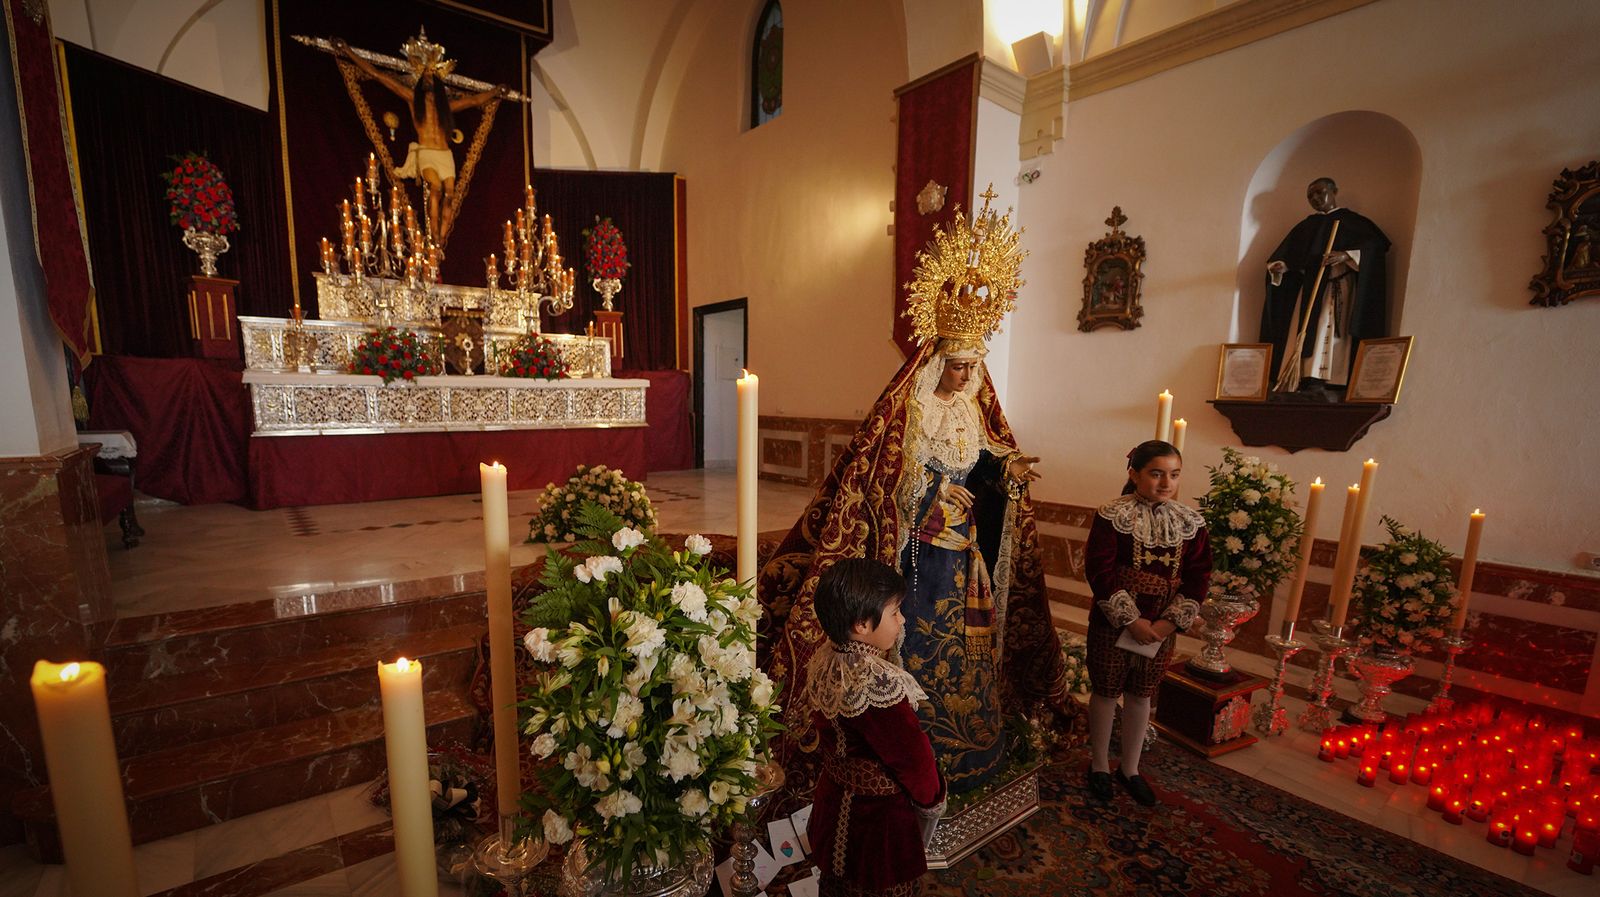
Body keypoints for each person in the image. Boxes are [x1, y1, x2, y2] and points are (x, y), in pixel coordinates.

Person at [761, 196, 1079, 816]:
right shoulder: (910, 411)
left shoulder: (968, 405)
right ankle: (911, 728)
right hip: (919, 550)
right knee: (921, 632)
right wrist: (932, 496)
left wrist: (1003, 468)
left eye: (974, 368)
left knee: (969, 639)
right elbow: (888, 480)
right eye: (959, 368)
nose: (967, 379)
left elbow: (981, 452)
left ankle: (971, 743)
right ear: (938, 359)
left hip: (963, 549)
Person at [803, 559, 945, 897]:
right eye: (895, 612)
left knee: (838, 883)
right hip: (877, 823)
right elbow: (912, 756)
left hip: (834, 800)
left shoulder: (826, 660)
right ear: (862, 624)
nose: (903, 620)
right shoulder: (876, 683)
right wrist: (931, 799)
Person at [1083, 440, 1211, 807]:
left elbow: (1199, 576)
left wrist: (1169, 623)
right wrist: (1132, 620)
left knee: (1142, 693)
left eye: (1173, 474)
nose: (1165, 482)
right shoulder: (1112, 515)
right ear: (1134, 474)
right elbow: (1100, 570)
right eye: (1156, 473)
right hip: (1114, 621)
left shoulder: (1191, 523)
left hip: (1162, 626)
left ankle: (1131, 768)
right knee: (1107, 691)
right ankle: (1099, 765)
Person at [332, 33, 505, 240]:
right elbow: (379, 76)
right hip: (427, 154)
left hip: (444, 155)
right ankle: (434, 236)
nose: (429, 83)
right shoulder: (413, 100)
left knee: (449, 195)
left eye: (433, 81)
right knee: (436, 189)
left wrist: (497, 91)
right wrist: (348, 51)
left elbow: (475, 101)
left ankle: (440, 238)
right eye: (426, 80)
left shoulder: (446, 108)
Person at [1259, 177, 1391, 397]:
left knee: (1331, 329)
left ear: (1334, 191)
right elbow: (1287, 257)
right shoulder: (1306, 226)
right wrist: (1280, 266)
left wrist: (1346, 255)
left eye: (1320, 192)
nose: (1316, 199)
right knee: (1309, 329)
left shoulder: (1352, 222)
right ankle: (1305, 375)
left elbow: (1376, 249)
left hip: (1340, 286)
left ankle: (1335, 378)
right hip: (1311, 288)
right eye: (1310, 196)